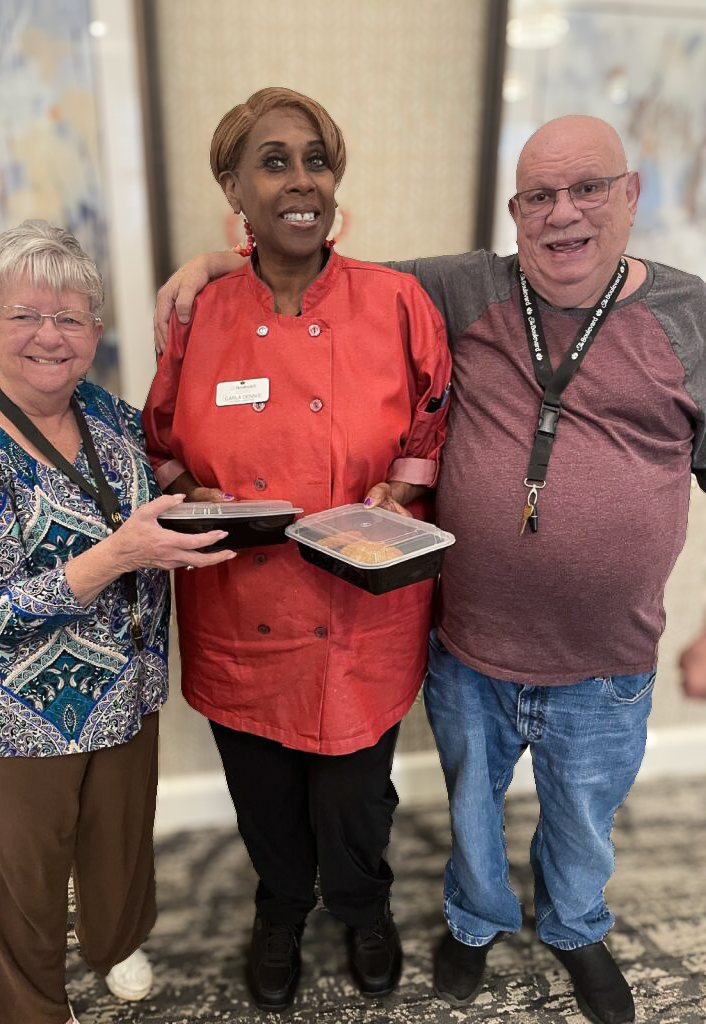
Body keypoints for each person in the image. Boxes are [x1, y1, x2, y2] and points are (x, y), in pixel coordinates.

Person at [154, 114, 706, 1024]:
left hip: (590, 649)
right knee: (462, 814)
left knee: (574, 817)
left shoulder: (687, 316)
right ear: (515, 211)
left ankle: (569, 927)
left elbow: (418, 413)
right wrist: (211, 268)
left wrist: (399, 496)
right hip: (458, 640)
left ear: (631, 193)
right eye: (539, 196)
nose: (562, 214)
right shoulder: (467, 286)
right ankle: (437, 918)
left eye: (589, 189)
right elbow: (292, 286)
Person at [142, 87, 451, 1013]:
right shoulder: (200, 315)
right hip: (242, 609)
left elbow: (432, 421)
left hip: (364, 612)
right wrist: (192, 494)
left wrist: (399, 492)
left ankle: (363, 908)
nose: (300, 180)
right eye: (273, 162)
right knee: (264, 793)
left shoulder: (396, 300)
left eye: (315, 159)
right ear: (233, 186)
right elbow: (159, 443)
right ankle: (279, 908)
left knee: (357, 799)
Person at [0, 220, 235, 1024]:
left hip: (124, 696)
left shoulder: (106, 411)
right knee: (21, 893)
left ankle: (113, 944)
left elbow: (167, 474)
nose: (48, 336)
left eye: (70, 318)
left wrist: (212, 262)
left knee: (118, 855)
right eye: (25, 315)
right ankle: (32, 1007)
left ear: (95, 334)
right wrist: (119, 553)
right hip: (5, 720)